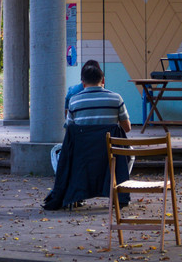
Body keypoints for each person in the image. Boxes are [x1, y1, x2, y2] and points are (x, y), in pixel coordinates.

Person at [44, 60, 131, 210]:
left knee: (57, 152)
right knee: (127, 153)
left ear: (83, 83)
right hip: (110, 155)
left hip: (83, 157)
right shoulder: (116, 98)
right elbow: (127, 128)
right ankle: (119, 193)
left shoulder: (74, 101)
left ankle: (77, 195)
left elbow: (70, 131)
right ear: (103, 81)